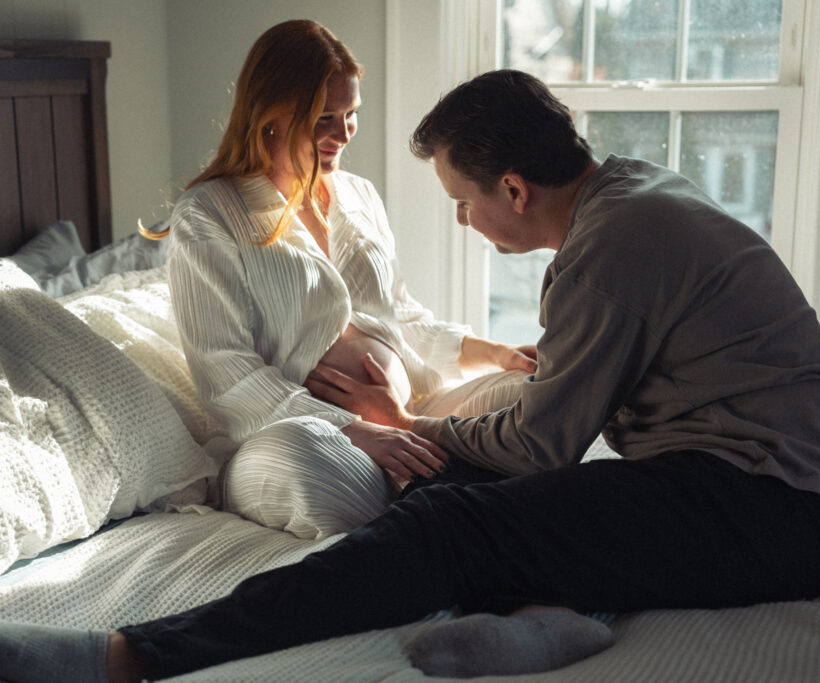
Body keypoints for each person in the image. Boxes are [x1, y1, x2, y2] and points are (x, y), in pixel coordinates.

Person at [0, 69, 820, 682]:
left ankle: (130, 654)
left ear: (513, 190)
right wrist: (436, 433)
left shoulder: (608, 248)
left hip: (771, 507)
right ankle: (558, 615)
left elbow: (541, 443)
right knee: (457, 493)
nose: (461, 222)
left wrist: (408, 419)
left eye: (461, 200)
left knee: (455, 514)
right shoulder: (635, 195)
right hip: (770, 488)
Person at [152, 20, 535, 539]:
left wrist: (490, 352)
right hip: (295, 435)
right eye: (324, 117)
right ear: (270, 115)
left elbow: (400, 315)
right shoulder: (209, 214)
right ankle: (439, 524)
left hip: (407, 412)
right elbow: (227, 374)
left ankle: (434, 513)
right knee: (312, 463)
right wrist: (352, 429)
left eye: (351, 114)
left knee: (529, 396)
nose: (344, 133)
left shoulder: (359, 194)